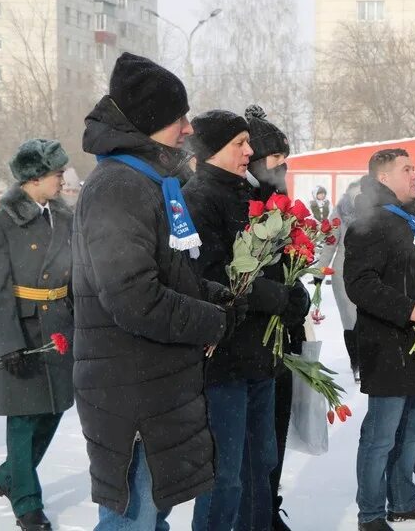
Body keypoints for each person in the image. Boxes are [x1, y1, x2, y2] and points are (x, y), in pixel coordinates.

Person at [72, 52, 240, 530]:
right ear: (150, 122)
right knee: (133, 519)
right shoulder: (119, 187)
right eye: (177, 117)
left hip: (150, 382)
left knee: (150, 516)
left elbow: (165, 274)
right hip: (131, 391)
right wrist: (212, 321)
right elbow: (132, 296)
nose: (187, 128)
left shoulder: (147, 183)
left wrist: (213, 295)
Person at [183, 110, 308, 531]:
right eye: (239, 143)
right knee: (227, 474)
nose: (249, 151)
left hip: (260, 355)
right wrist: (278, 298)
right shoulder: (199, 198)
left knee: (261, 463)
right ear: (214, 150)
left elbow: (273, 262)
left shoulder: (245, 192)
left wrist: (295, 294)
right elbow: (210, 276)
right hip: (226, 359)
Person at [345, 149, 415, 531]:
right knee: (381, 436)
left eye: (414, 167)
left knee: (413, 430)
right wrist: (408, 309)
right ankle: (371, 513)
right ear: (383, 177)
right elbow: (359, 283)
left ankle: (404, 499)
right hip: (388, 343)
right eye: (406, 169)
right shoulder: (371, 220)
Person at [0, 139, 74, 531]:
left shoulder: (64, 217)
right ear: (34, 178)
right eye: (56, 174)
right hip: (21, 329)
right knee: (22, 420)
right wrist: (10, 344)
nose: (62, 180)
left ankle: (9, 476)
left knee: (54, 410)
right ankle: (27, 505)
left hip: (59, 328)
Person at [244, 104, 310, 531]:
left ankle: (269, 503)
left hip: (283, 336)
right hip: (252, 337)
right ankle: (254, 512)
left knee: (275, 434)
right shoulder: (240, 203)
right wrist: (283, 298)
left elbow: (288, 264)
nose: (283, 167)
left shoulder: (278, 204)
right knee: (253, 441)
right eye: (276, 159)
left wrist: (297, 295)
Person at [315, 179, 362, 382]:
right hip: (343, 273)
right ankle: (356, 362)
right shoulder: (339, 214)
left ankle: (367, 359)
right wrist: (319, 273)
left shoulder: (372, 213)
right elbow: (329, 245)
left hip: (369, 272)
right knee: (350, 320)